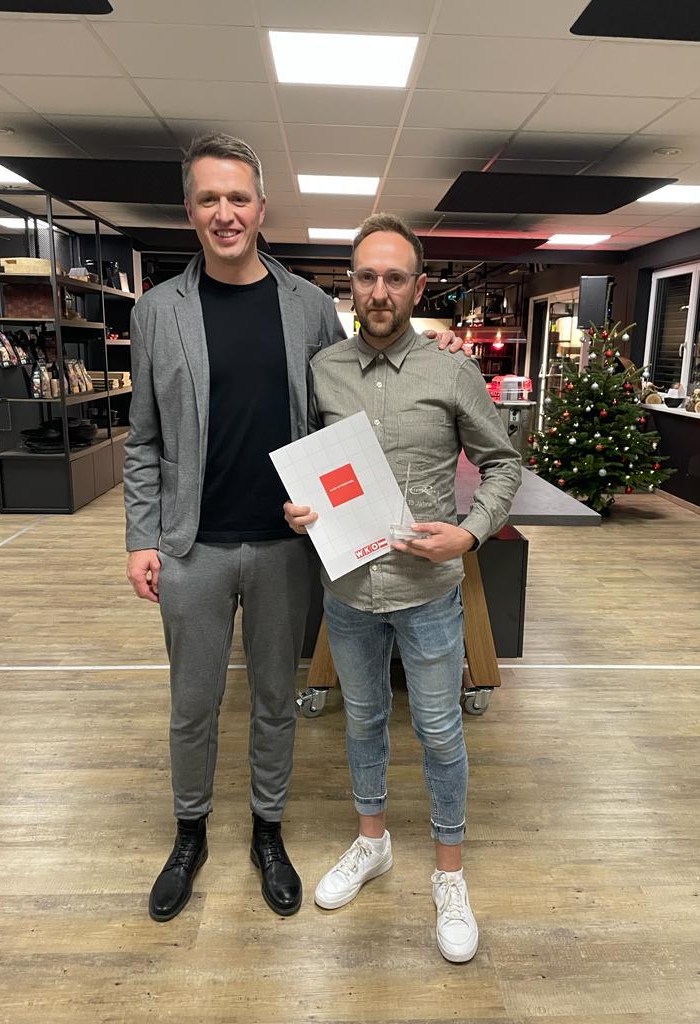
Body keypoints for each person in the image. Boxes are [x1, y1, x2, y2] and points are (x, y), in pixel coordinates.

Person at [124, 134, 463, 923]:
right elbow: (143, 439)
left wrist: (433, 348)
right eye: (209, 199)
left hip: (289, 547)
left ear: (261, 208)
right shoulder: (156, 311)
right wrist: (141, 537)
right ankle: (189, 832)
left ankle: (268, 831)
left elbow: (353, 385)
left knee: (277, 699)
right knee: (192, 704)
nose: (225, 212)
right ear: (190, 210)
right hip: (190, 547)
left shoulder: (308, 306)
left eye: (238, 198)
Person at [284, 213, 521, 961]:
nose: (379, 291)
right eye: (366, 276)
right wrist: (297, 508)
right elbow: (303, 466)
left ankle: (449, 873)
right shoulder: (322, 370)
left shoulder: (451, 371)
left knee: (440, 732)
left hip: (429, 593)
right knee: (361, 724)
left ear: (418, 288)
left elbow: (503, 464)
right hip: (351, 592)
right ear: (350, 286)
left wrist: (470, 533)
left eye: (394, 277)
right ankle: (373, 842)